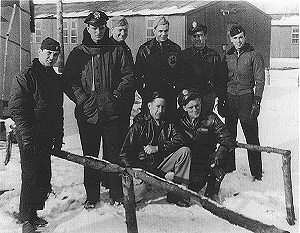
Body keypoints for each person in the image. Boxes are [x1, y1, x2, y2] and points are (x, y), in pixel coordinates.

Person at [63, 11, 135, 208]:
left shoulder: (115, 50)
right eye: (94, 28)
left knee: (113, 154)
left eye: (102, 28)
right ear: (88, 28)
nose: (98, 31)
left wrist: (115, 97)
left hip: (111, 112)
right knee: (90, 155)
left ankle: (116, 193)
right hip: (88, 114)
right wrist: (83, 100)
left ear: (106, 28)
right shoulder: (78, 53)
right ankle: (92, 196)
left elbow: (128, 76)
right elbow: (69, 81)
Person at [9, 37, 63, 232]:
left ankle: (34, 213)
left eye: (55, 55)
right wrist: (26, 136)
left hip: (46, 136)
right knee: (30, 177)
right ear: (39, 52)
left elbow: (58, 110)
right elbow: (18, 109)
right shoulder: (26, 76)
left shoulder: (55, 78)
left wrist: (59, 135)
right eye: (48, 53)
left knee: (43, 177)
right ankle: (27, 219)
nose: (51, 57)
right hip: (29, 136)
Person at [120, 91, 191, 207]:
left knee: (185, 151)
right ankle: (143, 186)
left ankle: (176, 194)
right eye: (157, 106)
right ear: (149, 106)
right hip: (143, 168)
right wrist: (133, 173)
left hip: (161, 164)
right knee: (136, 196)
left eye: (163, 107)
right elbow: (124, 154)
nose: (160, 110)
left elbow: (180, 140)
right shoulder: (139, 125)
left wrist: (158, 148)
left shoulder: (169, 123)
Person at [217, 25, 265, 181]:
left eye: (241, 37)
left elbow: (260, 80)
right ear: (231, 39)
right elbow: (223, 79)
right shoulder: (227, 56)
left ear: (245, 37)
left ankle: (257, 173)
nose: (238, 41)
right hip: (231, 98)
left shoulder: (253, 54)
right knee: (229, 136)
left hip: (246, 98)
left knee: (251, 136)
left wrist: (256, 101)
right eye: (235, 38)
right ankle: (230, 169)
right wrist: (222, 100)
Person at [177, 89, 235, 202]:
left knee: (223, 157)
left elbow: (227, 139)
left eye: (197, 105)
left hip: (207, 160)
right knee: (191, 188)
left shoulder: (211, 118)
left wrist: (219, 154)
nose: (195, 109)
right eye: (190, 107)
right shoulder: (178, 119)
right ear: (184, 108)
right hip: (189, 162)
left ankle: (212, 190)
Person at [135, 16, 181, 119]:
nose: (163, 34)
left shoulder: (175, 49)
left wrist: (175, 91)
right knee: (150, 123)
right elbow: (137, 75)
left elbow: (180, 73)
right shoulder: (145, 49)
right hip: (151, 94)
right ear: (154, 30)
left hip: (169, 95)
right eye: (160, 31)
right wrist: (144, 93)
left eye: (166, 31)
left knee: (169, 122)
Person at [179, 22, 223, 111]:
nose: (197, 39)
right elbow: (180, 77)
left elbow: (219, 78)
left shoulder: (213, 55)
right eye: (194, 36)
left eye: (200, 35)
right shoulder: (184, 55)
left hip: (207, 95)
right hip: (190, 96)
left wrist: (217, 95)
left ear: (205, 36)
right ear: (191, 38)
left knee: (206, 121)